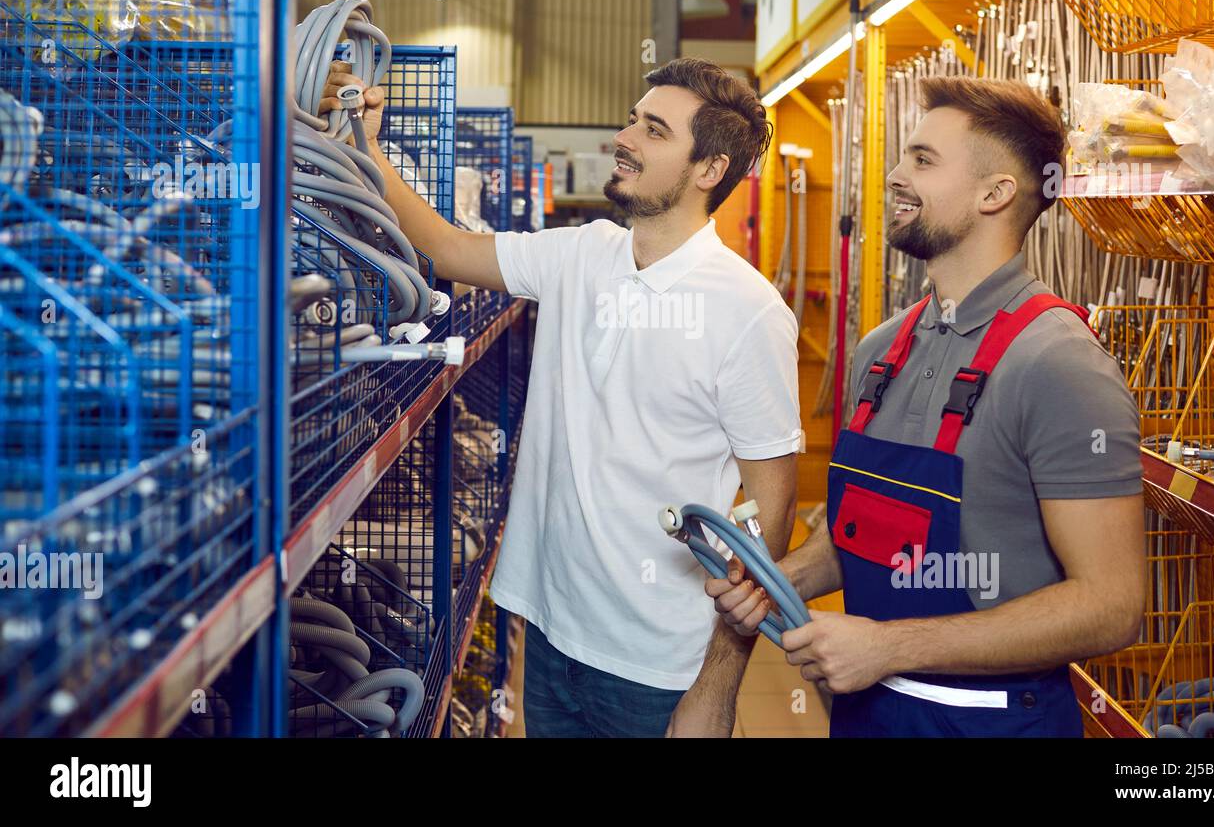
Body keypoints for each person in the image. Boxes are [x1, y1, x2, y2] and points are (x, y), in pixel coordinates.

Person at [321, 57, 803, 737]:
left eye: (654, 130)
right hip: (551, 631)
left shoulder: (748, 312)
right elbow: (445, 248)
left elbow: (769, 515)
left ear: (709, 170)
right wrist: (365, 146)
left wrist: (718, 684)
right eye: (634, 119)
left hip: (659, 663)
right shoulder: (583, 255)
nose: (624, 137)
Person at [705, 77, 1145, 738]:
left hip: (990, 724)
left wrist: (890, 647)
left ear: (995, 194)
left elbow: (1112, 607)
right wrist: (780, 577)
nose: (895, 176)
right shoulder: (883, 352)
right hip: (869, 713)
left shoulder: (1058, 363)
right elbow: (863, 536)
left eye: (923, 160)